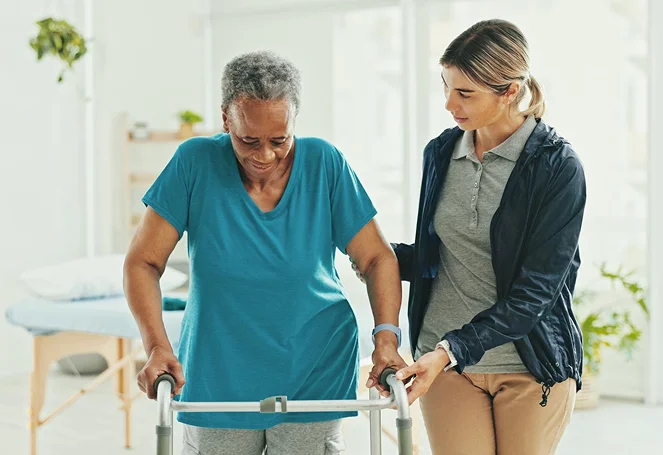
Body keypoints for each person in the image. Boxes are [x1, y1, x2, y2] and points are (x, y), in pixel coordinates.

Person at [123, 50, 407, 455]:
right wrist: (156, 347)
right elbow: (143, 261)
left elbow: (377, 257)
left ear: (295, 121)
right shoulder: (195, 162)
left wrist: (386, 338)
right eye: (248, 140)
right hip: (217, 371)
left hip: (317, 365)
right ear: (226, 119)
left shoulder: (325, 163)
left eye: (280, 140)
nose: (265, 155)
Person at [355, 19, 586, 455]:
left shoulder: (557, 168)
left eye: (464, 93)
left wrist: (450, 349)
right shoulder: (441, 152)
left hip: (529, 365)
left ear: (510, 92)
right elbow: (435, 255)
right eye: (446, 87)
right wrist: (365, 250)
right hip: (445, 366)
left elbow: (534, 294)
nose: (448, 104)